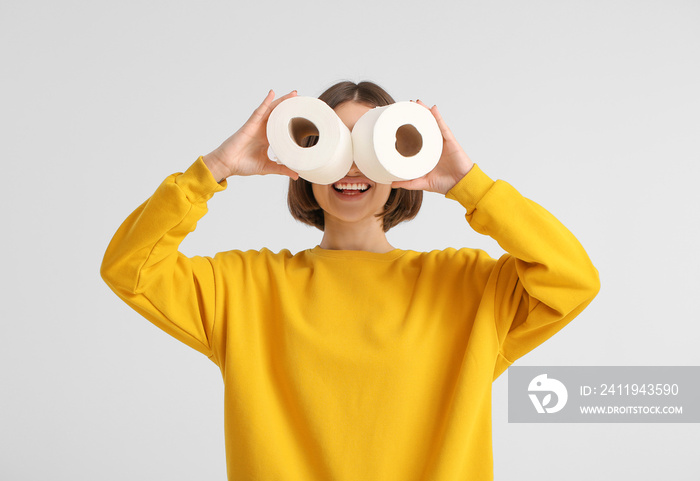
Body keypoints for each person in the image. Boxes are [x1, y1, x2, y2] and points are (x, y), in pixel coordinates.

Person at [101, 80, 600, 480]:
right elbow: (131, 268)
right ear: (301, 164)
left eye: (372, 146)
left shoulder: (468, 287)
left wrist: (472, 185)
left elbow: (572, 278)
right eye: (327, 144)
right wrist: (215, 169)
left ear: (404, 158)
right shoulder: (247, 287)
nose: (352, 166)